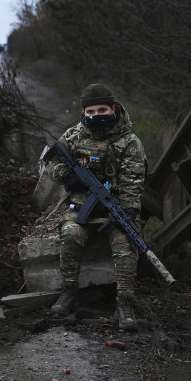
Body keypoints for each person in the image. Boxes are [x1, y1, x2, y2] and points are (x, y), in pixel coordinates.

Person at [45, 83, 147, 330]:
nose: (96, 116)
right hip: (80, 208)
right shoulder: (73, 135)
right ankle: (69, 292)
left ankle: (125, 302)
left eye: (102, 109)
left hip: (116, 209)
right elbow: (49, 162)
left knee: (126, 242)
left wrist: (128, 212)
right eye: (90, 112)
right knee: (70, 234)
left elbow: (133, 181)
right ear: (84, 113)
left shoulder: (129, 141)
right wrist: (65, 175)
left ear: (113, 108)